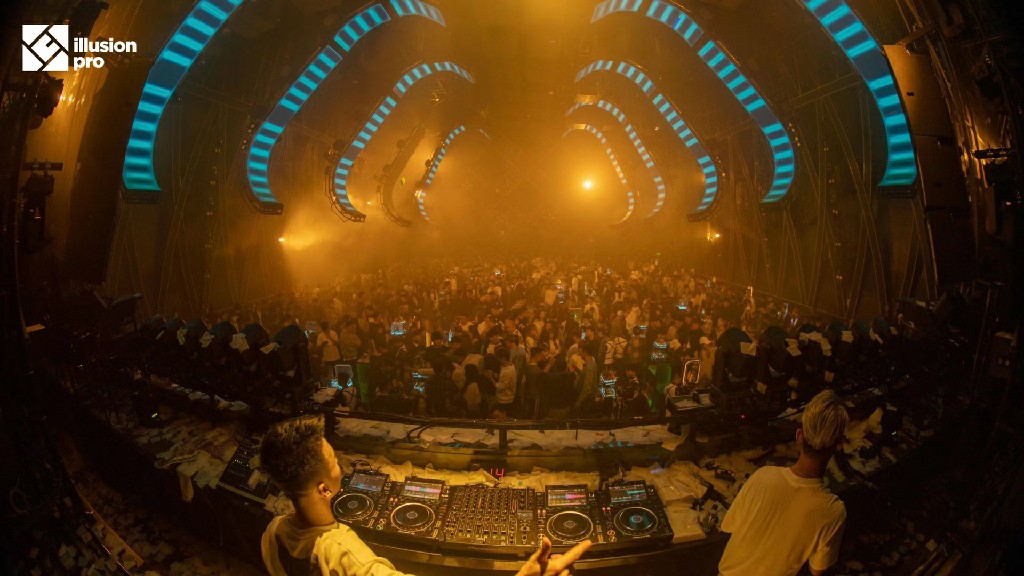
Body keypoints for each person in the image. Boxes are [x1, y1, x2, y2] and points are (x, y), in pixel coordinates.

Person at [259, 415, 591, 575]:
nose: (341, 467)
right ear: (324, 489)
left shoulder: (272, 533)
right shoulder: (346, 556)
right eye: (335, 462)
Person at [718, 390, 849, 576]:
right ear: (840, 444)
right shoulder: (833, 511)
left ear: (799, 436)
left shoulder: (763, 476)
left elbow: (729, 526)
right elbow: (817, 569)